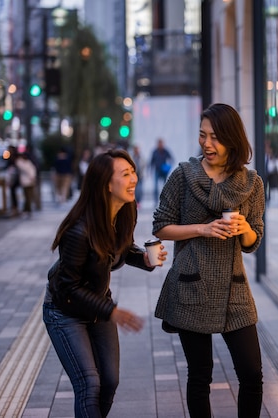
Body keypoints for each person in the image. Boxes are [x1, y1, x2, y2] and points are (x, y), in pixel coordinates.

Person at [152, 103, 265, 417]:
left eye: (215, 137)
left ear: (232, 139)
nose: (206, 143)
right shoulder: (183, 176)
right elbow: (161, 225)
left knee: (252, 374)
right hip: (191, 285)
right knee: (200, 374)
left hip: (234, 289)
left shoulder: (252, 184)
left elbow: (254, 241)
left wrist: (244, 230)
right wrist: (202, 228)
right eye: (202, 136)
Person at [43, 149, 168, 417]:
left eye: (133, 171)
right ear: (106, 184)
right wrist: (112, 311)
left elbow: (121, 247)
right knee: (89, 384)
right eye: (125, 174)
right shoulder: (78, 230)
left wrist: (144, 260)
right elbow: (68, 288)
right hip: (64, 311)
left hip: (99, 306)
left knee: (109, 381)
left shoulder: (124, 212)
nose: (134, 178)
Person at [15, 152, 37, 218]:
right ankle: (27, 210)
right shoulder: (19, 162)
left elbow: (33, 169)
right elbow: (26, 169)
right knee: (27, 196)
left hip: (31, 181)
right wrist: (31, 175)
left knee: (29, 196)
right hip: (25, 181)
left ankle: (27, 210)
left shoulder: (28, 162)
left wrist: (33, 176)